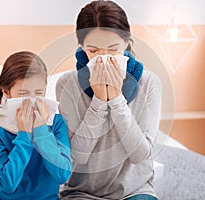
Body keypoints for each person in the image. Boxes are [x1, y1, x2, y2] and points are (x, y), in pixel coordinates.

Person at [56, 1, 161, 199]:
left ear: (127, 42)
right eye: (93, 51)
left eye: (113, 49)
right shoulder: (66, 84)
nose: (103, 58)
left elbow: (140, 155)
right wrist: (99, 102)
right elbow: (76, 158)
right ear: (81, 47)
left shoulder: (149, 83)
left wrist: (116, 98)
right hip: (81, 192)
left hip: (135, 191)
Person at [0, 51, 71, 200]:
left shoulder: (56, 123)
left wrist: (41, 131)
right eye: (24, 93)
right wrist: (24, 134)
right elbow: (8, 184)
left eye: (39, 92)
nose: (32, 100)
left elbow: (62, 175)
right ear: (6, 92)